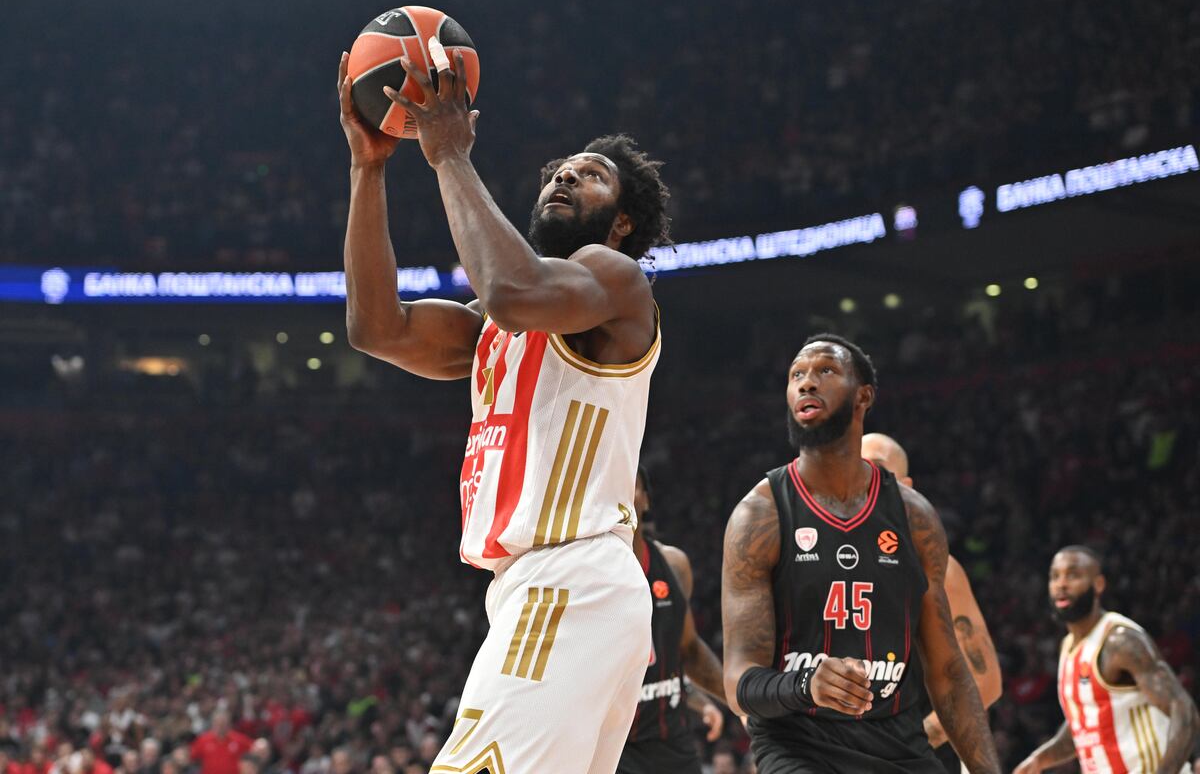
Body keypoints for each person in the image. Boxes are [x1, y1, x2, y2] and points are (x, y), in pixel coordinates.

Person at [336, 40, 671, 773]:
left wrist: (449, 155)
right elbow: (376, 327)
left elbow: (515, 293)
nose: (565, 174)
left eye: (591, 175)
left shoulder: (613, 280)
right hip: (540, 590)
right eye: (558, 169)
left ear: (620, 223)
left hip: (570, 579)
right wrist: (370, 167)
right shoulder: (491, 326)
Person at [721, 334, 1001, 773]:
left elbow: (948, 673)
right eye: (797, 375)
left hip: (900, 747)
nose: (806, 383)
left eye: (825, 372)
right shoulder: (760, 514)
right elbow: (739, 679)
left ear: (864, 395)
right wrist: (804, 685)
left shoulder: (915, 518)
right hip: (800, 749)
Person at [861, 432, 1002, 773]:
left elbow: (986, 684)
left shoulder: (936, 568)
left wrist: (905, 747)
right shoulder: (820, 562)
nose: (861, 477)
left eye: (876, 469)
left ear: (905, 486)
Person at [1014, 546, 1199, 774]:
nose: (1061, 584)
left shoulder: (1119, 641)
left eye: (1073, 575)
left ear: (1098, 584)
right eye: (1055, 576)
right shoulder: (1069, 646)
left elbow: (1184, 711)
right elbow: (1084, 725)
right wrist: (1040, 759)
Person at [618, 467, 726, 774]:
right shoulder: (583, 576)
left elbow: (687, 651)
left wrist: (743, 703)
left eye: (630, 485)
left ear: (646, 500)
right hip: (616, 748)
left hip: (672, 744)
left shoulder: (673, 564)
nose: (621, 494)